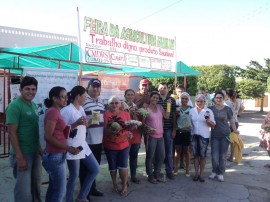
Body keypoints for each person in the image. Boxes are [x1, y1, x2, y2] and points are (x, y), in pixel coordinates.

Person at [6, 76, 42, 202]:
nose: (31, 92)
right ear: (21, 89)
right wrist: (20, 157)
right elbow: (12, 132)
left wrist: (39, 148)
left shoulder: (32, 105)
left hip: (34, 152)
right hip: (22, 154)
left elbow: (33, 129)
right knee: (24, 191)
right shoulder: (14, 106)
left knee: (36, 187)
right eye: (27, 89)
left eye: (33, 89)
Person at [61, 86, 99, 202]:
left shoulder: (81, 109)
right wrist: (76, 124)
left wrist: (91, 122)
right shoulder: (66, 110)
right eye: (84, 96)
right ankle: (69, 199)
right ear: (78, 96)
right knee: (74, 176)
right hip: (73, 146)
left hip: (83, 145)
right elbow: (61, 131)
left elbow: (83, 126)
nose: (86, 99)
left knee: (95, 169)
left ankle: (82, 196)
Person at [42, 86, 80, 202]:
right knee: (60, 191)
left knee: (54, 188)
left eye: (66, 97)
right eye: (63, 97)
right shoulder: (53, 112)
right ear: (54, 98)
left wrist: (75, 124)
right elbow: (48, 136)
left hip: (57, 155)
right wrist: (68, 148)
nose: (66, 99)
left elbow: (62, 131)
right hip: (55, 156)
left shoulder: (56, 111)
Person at [103, 96, 135, 196]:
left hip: (124, 144)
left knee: (123, 166)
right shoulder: (106, 114)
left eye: (116, 103)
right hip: (110, 145)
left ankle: (124, 186)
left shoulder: (126, 114)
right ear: (109, 105)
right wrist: (110, 131)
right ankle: (114, 184)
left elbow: (129, 128)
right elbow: (103, 131)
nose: (114, 105)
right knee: (112, 167)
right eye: (112, 103)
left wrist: (131, 131)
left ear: (120, 104)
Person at [80, 78, 104, 198]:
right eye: (93, 86)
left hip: (99, 140)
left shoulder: (101, 101)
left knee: (95, 166)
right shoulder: (83, 101)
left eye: (97, 86)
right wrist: (89, 123)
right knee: (85, 169)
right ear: (88, 87)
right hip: (86, 141)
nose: (95, 89)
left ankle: (92, 188)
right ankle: (84, 193)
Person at [209, 91, 239, 182]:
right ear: (214, 99)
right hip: (214, 135)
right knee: (214, 155)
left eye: (220, 98)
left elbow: (232, 120)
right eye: (217, 97)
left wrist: (235, 130)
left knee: (223, 155)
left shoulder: (227, 109)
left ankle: (220, 173)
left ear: (223, 98)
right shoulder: (210, 109)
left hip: (225, 135)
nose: (218, 99)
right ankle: (214, 171)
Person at [145, 91, 170, 184]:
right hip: (151, 137)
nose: (155, 99)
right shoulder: (146, 108)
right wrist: (147, 128)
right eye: (153, 97)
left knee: (161, 156)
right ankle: (150, 175)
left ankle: (156, 174)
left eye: (157, 98)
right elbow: (142, 122)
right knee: (150, 157)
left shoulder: (160, 107)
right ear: (150, 98)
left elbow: (166, 116)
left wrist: (168, 105)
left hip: (160, 136)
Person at [190, 94, 216, 182]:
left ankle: (202, 174)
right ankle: (196, 173)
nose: (199, 103)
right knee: (195, 156)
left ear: (204, 102)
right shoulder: (191, 111)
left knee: (203, 156)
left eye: (201, 101)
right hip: (193, 135)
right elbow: (189, 123)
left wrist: (208, 120)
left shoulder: (208, 111)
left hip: (204, 136)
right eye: (198, 101)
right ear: (195, 102)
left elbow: (213, 125)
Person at [157, 83, 176, 180]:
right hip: (157, 129)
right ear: (158, 89)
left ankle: (169, 171)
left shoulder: (172, 100)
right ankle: (157, 171)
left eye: (165, 88)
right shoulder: (155, 99)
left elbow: (173, 115)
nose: (163, 89)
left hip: (168, 129)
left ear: (167, 89)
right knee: (159, 152)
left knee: (169, 151)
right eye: (161, 88)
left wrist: (174, 129)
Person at [123, 89, 142, 184]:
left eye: (132, 95)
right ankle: (124, 179)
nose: (130, 96)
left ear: (134, 96)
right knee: (124, 158)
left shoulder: (136, 107)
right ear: (125, 96)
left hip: (136, 136)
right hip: (126, 135)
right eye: (128, 95)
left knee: (134, 157)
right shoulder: (121, 106)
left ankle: (133, 176)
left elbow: (139, 120)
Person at [174, 92, 193, 177]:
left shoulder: (191, 109)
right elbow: (174, 120)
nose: (184, 100)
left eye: (186, 99)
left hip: (187, 132)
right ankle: (175, 169)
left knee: (186, 151)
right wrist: (176, 115)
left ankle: (187, 169)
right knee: (177, 151)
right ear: (180, 99)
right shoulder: (177, 109)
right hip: (178, 132)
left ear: (188, 100)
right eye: (182, 98)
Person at [225, 89, 240, 162]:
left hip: (229, 123)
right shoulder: (238, 101)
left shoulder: (227, 103)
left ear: (227, 95)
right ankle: (231, 156)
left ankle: (225, 155)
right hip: (236, 122)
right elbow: (243, 108)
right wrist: (238, 114)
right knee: (233, 141)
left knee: (226, 139)